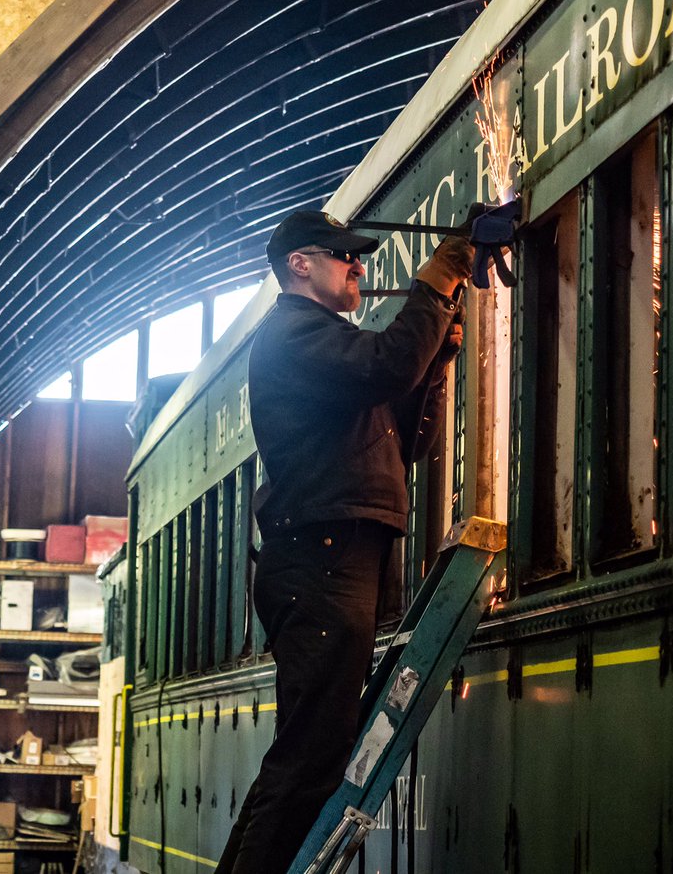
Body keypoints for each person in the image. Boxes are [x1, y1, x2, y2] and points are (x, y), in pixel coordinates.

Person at [215, 209, 473, 874]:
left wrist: (438, 357)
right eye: (344, 255)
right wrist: (437, 280)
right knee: (308, 762)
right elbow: (387, 366)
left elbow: (401, 438)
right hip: (322, 566)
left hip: (331, 563)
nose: (358, 266)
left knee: (302, 759)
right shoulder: (295, 333)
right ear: (300, 264)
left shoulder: (324, 348)